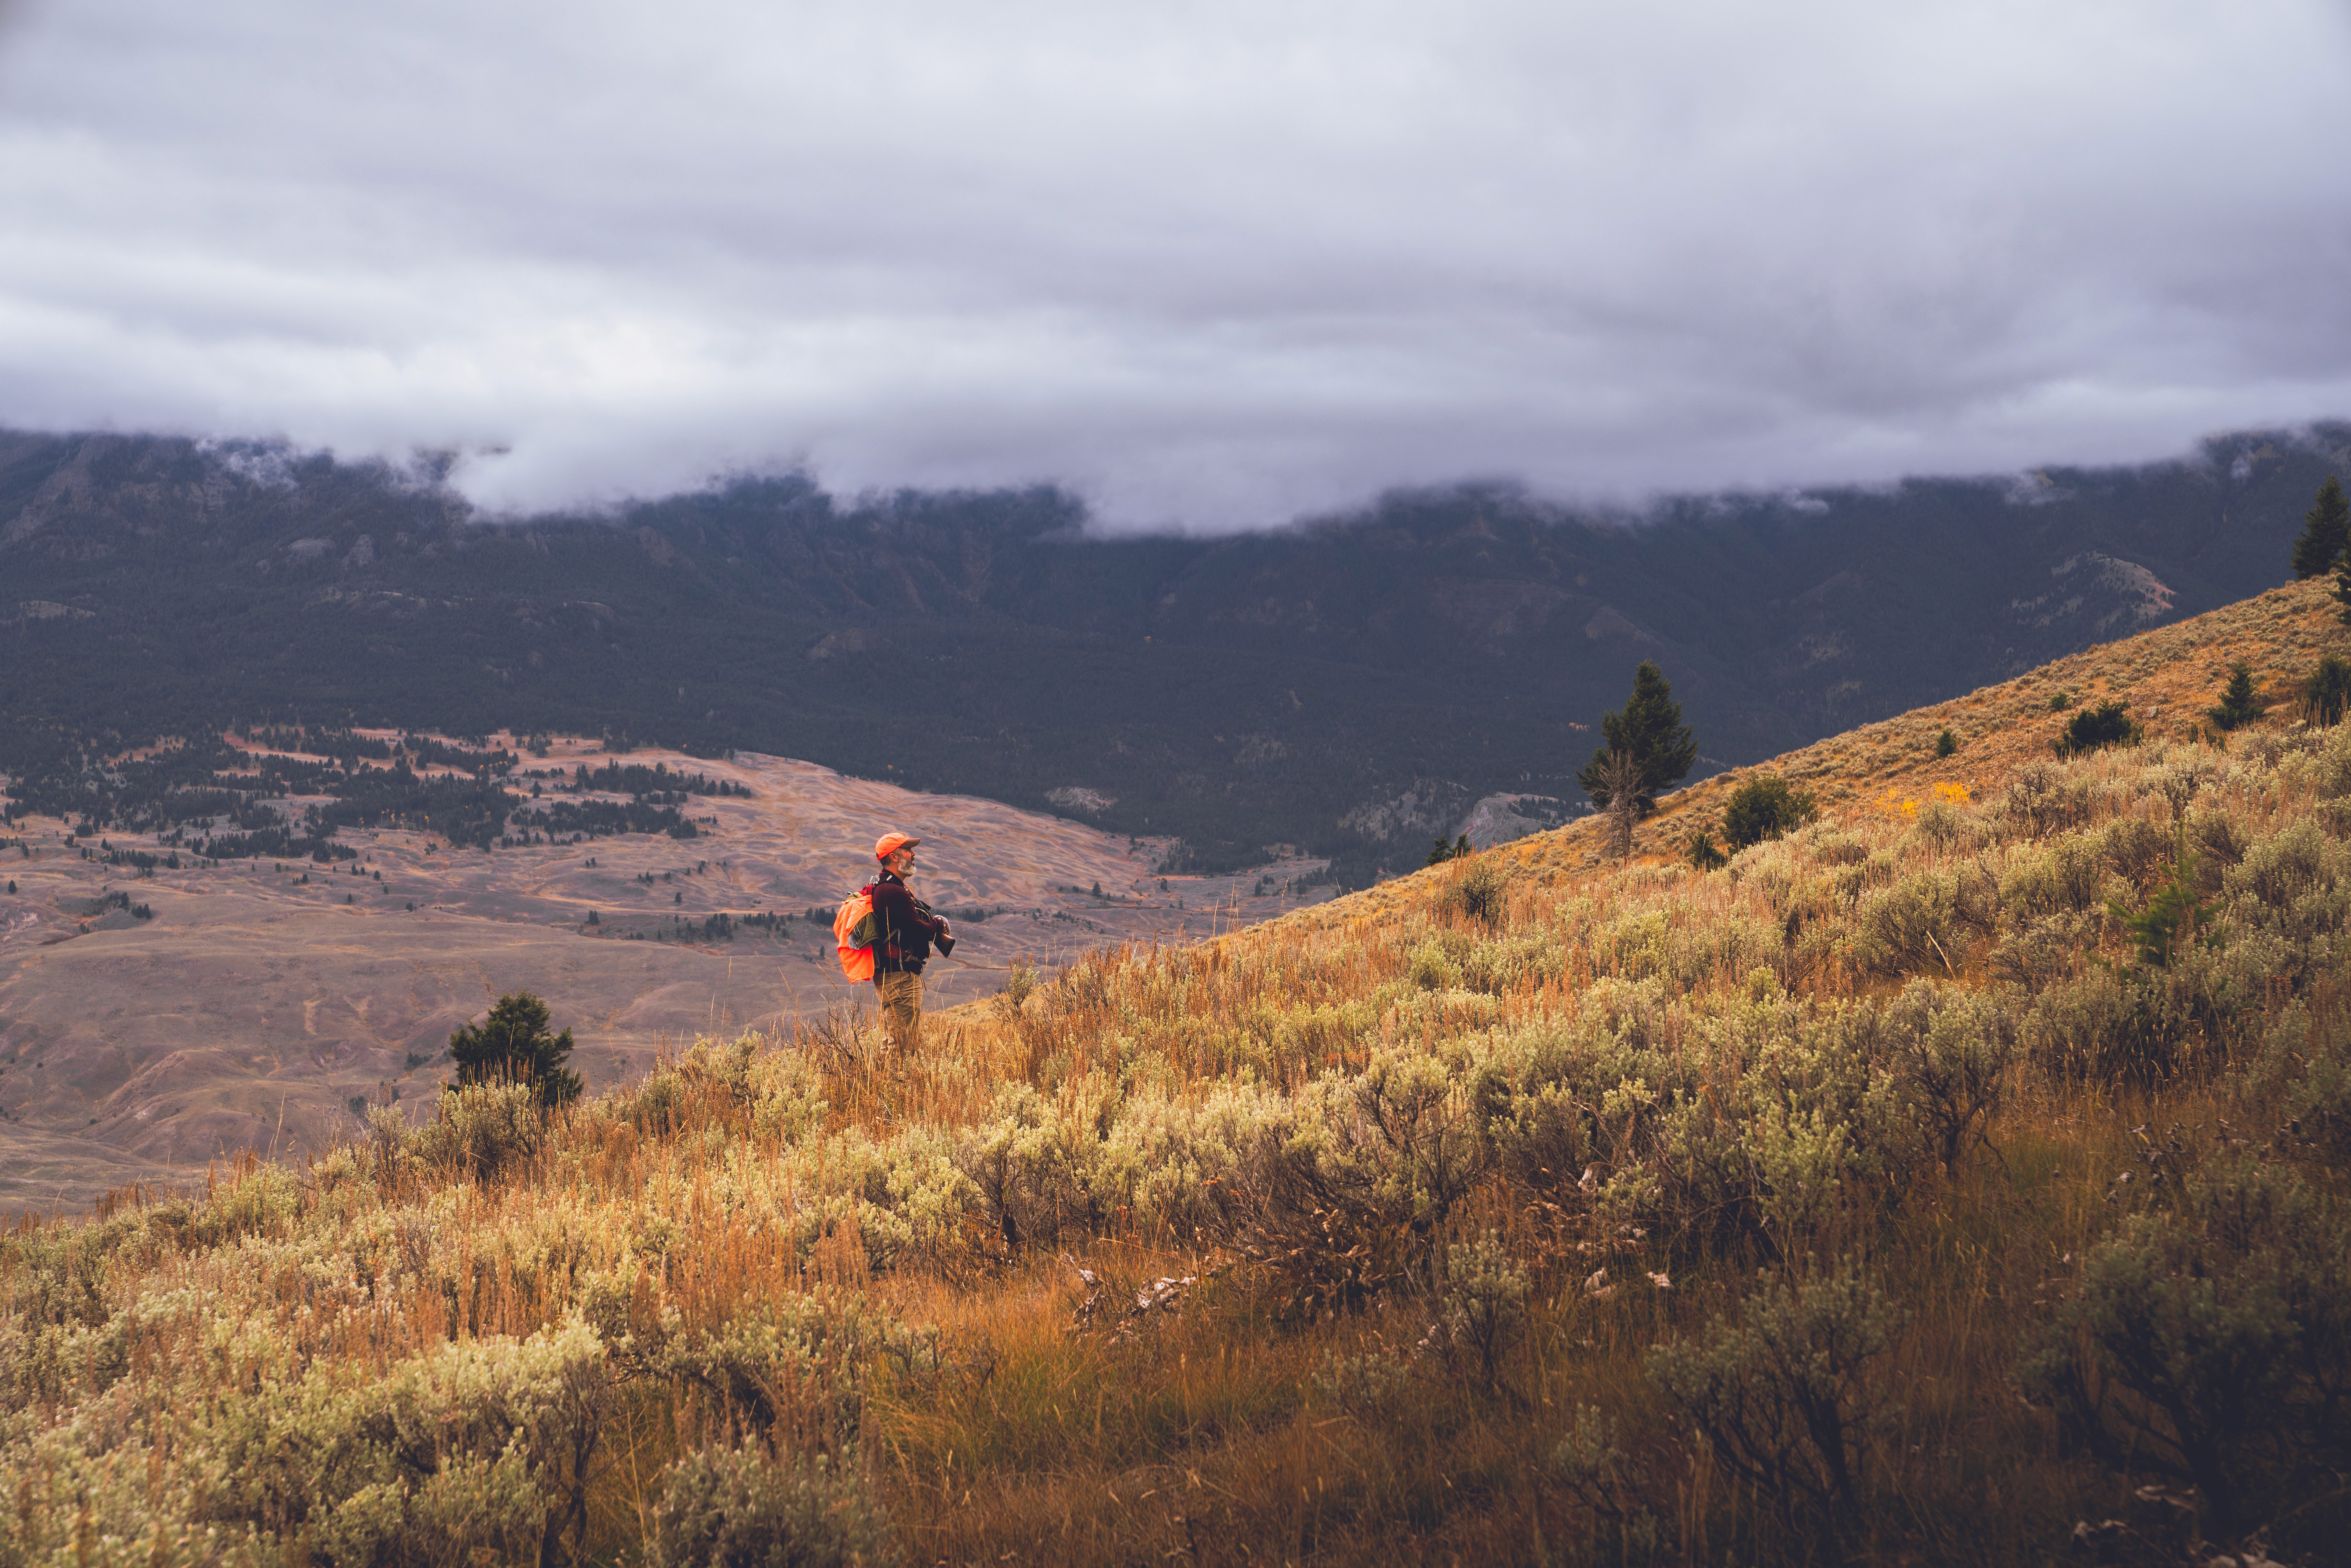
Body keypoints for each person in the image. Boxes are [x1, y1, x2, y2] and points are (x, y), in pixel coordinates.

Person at [869, 831, 953, 1057]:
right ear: (895, 857)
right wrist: (936, 924)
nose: (913, 854)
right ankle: (896, 1087)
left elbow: (909, 925)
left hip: (893, 974)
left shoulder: (885, 886)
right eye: (908, 851)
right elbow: (918, 929)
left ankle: (885, 1084)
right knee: (902, 1044)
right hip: (902, 978)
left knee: (892, 1040)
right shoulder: (894, 892)